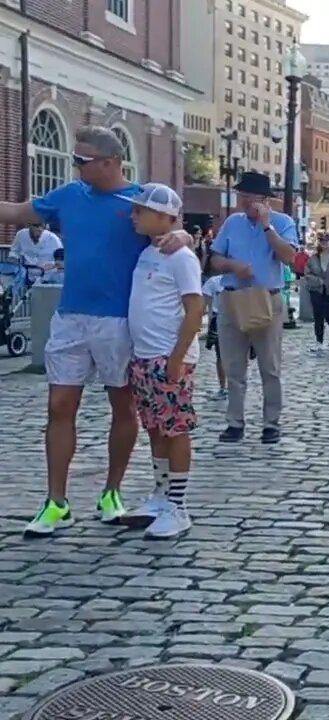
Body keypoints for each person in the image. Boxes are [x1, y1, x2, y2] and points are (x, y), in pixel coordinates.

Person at [0, 126, 188, 538]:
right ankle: (56, 502)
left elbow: (175, 229)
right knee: (59, 406)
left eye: (81, 160)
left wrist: (183, 234)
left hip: (119, 322)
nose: (75, 166)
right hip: (71, 317)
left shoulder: (138, 200)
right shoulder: (68, 196)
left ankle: (111, 492)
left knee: (123, 408)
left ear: (110, 163)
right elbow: (14, 212)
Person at [116, 184, 203, 539]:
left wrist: (178, 357)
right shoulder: (147, 251)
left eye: (140, 210)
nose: (133, 216)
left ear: (164, 217)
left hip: (169, 357)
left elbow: (195, 309)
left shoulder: (181, 257)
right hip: (145, 355)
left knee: (175, 428)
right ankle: (161, 493)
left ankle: (178, 506)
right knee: (155, 426)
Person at [208, 171, 299, 445]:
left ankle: (271, 423)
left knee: (269, 366)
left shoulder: (283, 222)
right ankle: (234, 422)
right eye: (241, 196)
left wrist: (267, 226)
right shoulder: (232, 223)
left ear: (264, 199)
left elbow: (289, 257)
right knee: (233, 366)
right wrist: (233, 266)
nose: (243, 202)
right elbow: (214, 259)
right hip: (233, 297)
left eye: (248, 197)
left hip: (265, 298)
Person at [304, 232, 329, 352]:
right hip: (317, 291)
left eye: (326, 241)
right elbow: (307, 273)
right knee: (318, 317)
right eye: (322, 241)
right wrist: (318, 281)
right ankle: (318, 341)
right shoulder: (314, 258)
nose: (324, 243)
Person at [202, 273, 229, 400]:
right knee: (221, 355)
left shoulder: (213, 281)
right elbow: (207, 305)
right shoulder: (213, 282)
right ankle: (225, 387)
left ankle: (228, 387)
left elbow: (207, 305)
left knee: (226, 356)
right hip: (220, 319)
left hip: (235, 318)